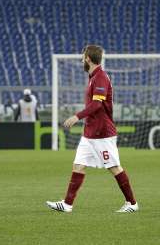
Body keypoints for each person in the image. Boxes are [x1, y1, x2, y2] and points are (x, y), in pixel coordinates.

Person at [46, 45, 138, 213]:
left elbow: (97, 104)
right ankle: (67, 204)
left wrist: (77, 116)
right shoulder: (93, 77)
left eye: (83, 56)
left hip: (102, 133)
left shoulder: (101, 77)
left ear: (88, 58)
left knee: (114, 167)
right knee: (78, 165)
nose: (82, 59)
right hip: (90, 133)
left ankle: (132, 203)